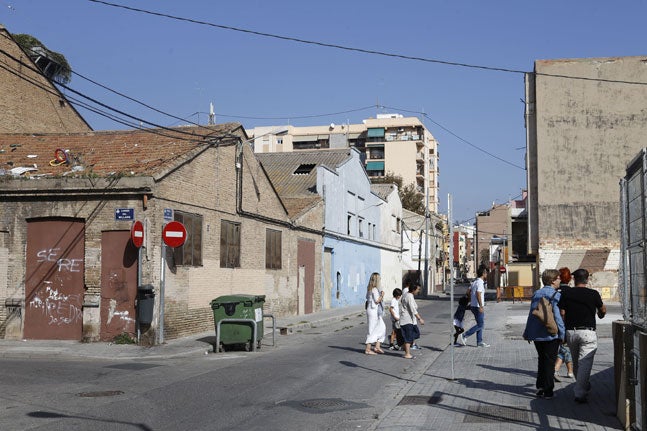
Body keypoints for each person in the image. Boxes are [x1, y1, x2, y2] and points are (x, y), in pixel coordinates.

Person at [558, 268, 606, 404]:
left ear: (574, 279)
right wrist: (601, 314)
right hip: (588, 332)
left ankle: (583, 384)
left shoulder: (567, 293)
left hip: (571, 332)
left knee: (577, 361)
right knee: (585, 362)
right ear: (587, 279)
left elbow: (562, 312)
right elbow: (602, 309)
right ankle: (580, 393)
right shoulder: (593, 294)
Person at [522, 269, 566, 400]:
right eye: (558, 278)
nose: (560, 281)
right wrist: (562, 333)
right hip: (550, 334)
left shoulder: (537, 293)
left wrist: (528, 332)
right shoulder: (555, 295)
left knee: (542, 360)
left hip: (536, 334)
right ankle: (548, 390)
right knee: (549, 362)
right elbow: (557, 317)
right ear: (553, 280)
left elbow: (532, 314)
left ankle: (540, 387)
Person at [554, 267, 575, 381]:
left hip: (553, 324)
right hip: (566, 323)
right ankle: (557, 369)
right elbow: (564, 311)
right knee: (565, 346)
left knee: (564, 347)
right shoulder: (571, 292)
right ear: (570, 278)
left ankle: (569, 371)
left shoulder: (555, 291)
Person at [462, 265, 490, 347]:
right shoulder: (480, 283)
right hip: (478, 307)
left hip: (473, 306)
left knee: (479, 324)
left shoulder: (474, 282)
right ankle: (465, 335)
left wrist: (471, 300)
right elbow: (478, 293)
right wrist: (481, 306)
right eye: (486, 273)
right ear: (483, 273)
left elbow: (468, 292)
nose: (487, 275)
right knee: (480, 325)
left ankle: (479, 342)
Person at [399, 283, 424, 359]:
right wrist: (420, 319)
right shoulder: (409, 296)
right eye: (418, 289)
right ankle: (407, 353)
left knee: (416, 333)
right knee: (408, 337)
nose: (418, 291)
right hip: (407, 320)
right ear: (413, 289)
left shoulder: (407, 295)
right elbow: (413, 309)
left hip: (409, 320)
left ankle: (403, 345)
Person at [364, 272, 386, 355]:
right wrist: (382, 295)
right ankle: (368, 349)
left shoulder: (370, 288)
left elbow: (367, 298)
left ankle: (377, 346)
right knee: (372, 329)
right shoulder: (374, 289)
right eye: (379, 279)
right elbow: (377, 301)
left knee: (382, 327)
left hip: (372, 310)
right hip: (373, 311)